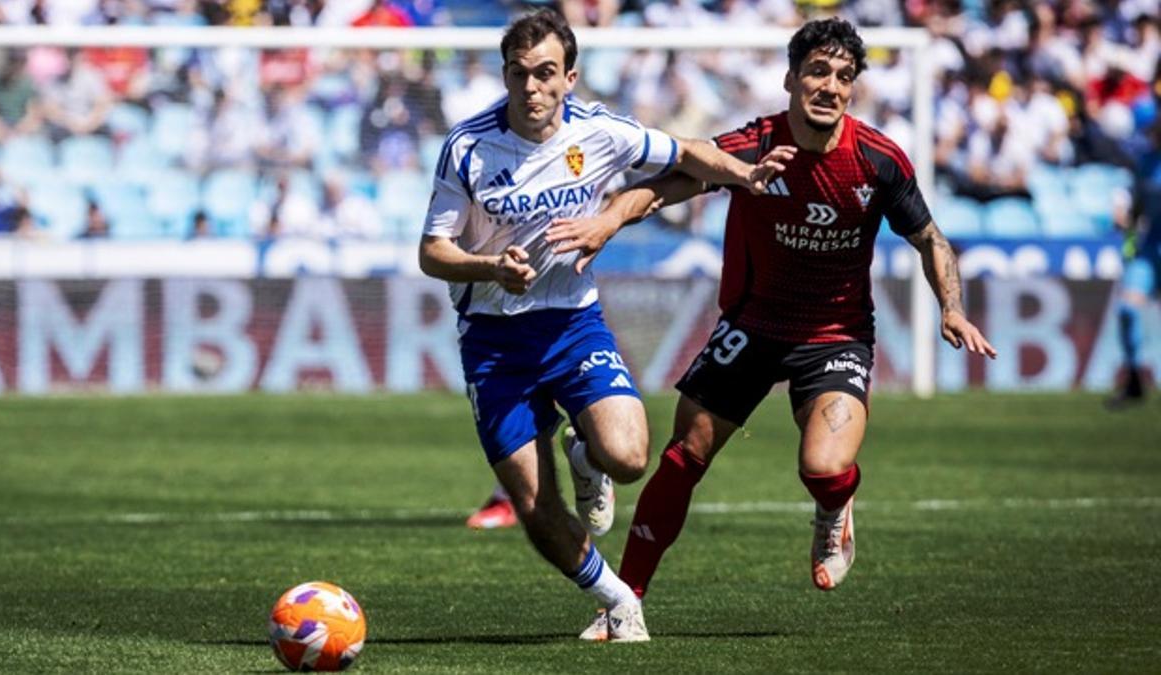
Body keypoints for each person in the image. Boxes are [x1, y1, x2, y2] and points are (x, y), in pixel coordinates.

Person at [545, 17, 999, 639]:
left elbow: (930, 238)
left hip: (835, 334)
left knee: (821, 468)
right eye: (817, 71)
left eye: (844, 77)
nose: (830, 86)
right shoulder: (754, 145)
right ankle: (623, 604)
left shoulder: (877, 160)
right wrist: (609, 220)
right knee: (683, 458)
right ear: (790, 79)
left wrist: (951, 306)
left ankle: (835, 507)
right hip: (752, 326)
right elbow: (668, 184)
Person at [419, 9, 770, 642]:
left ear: (570, 78)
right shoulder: (467, 147)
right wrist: (489, 267)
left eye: (546, 74)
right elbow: (431, 251)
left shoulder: (602, 132)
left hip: (572, 324)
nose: (531, 88)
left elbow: (687, 155)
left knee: (629, 456)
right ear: (505, 75)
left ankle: (586, 455)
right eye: (519, 74)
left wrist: (744, 176)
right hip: (494, 342)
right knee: (531, 502)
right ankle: (616, 598)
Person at [1108, 119, 1161, 406]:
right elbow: (1134, 203)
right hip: (1150, 248)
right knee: (1128, 310)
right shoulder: (1146, 162)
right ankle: (1134, 381)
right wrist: (1124, 215)